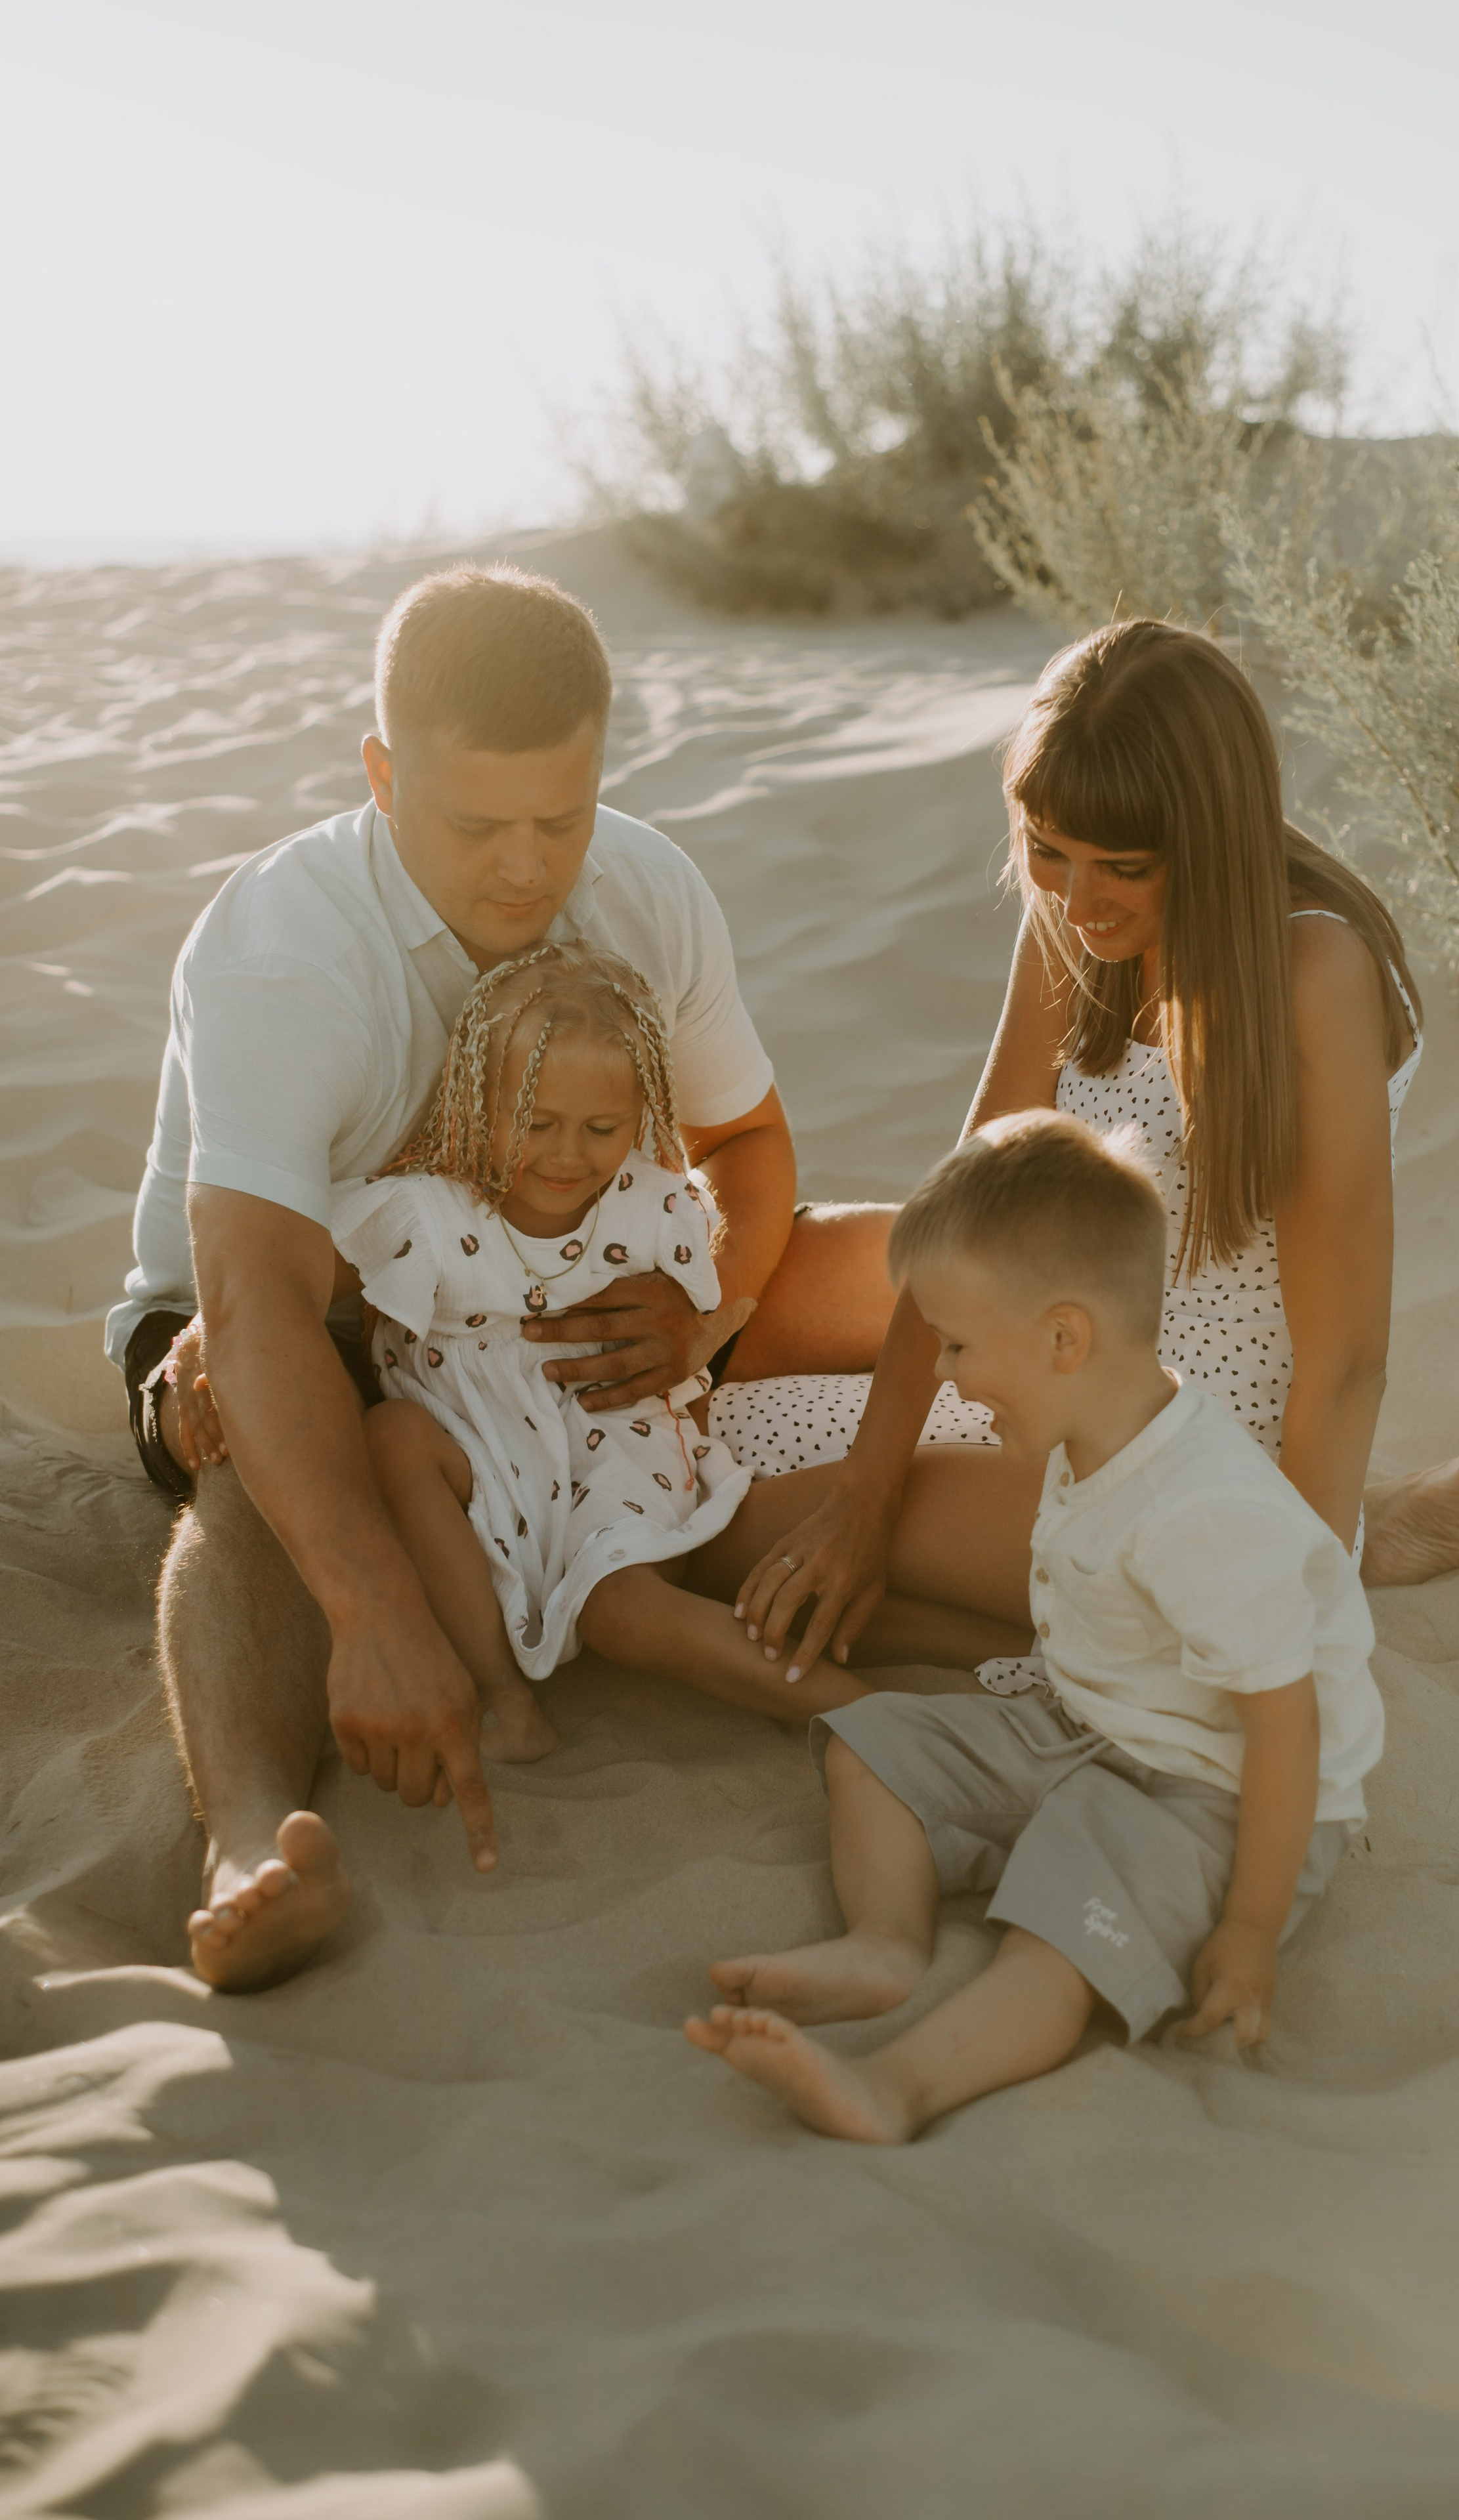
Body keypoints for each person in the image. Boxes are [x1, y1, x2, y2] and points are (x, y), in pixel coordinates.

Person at [111, 564, 886, 1992]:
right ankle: (246, 1849)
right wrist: (374, 1617)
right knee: (254, 1436)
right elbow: (263, 1295)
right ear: (381, 773)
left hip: (555, 1285)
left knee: (896, 1258)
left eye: (563, 817)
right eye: (476, 825)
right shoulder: (291, 946)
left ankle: (1187, 1484)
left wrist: (705, 1322)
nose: (529, 868)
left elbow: (746, 1139)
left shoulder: (646, 887)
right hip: (305, 1315)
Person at [702, 621, 1459, 1677]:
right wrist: (865, 1492)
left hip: (1189, 1443)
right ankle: (1363, 1532)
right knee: (729, 1357)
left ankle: (1338, 1547)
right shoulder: (1076, 915)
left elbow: (1344, 1363)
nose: (1076, 899)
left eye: (1123, 866)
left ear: (1211, 837)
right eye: (1048, 850)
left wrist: (1277, 1604)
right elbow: (961, 1225)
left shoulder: (1312, 971)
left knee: (704, 1524)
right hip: (1059, 1334)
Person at [685, 1113, 1384, 2143]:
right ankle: (887, 1945)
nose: (952, 1378)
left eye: (960, 1345)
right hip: (1102, 1725)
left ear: (1064, 1338)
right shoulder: (1095, 1427)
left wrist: (1248, 1927)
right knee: (876, 1746)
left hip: (1222, 1793)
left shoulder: (1204, 1512)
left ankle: (898, 2088)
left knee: (1059, 1940)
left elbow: (1287, 1732)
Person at [336, 940, 860, 1732]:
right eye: (537, 1122)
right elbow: (288, 1270)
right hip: (474, 1449)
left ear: (642, 1114)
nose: (567, 1154)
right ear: (480, 1100)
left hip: (610, 1445)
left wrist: (689, 1440)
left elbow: (689, 1348)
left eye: (602, 1127)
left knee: (624, 1615)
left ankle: (877, 1716)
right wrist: (209, 1330)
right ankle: (497, 1690)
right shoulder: (423, 1214)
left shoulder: (654, 1211)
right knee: (392, 1438)